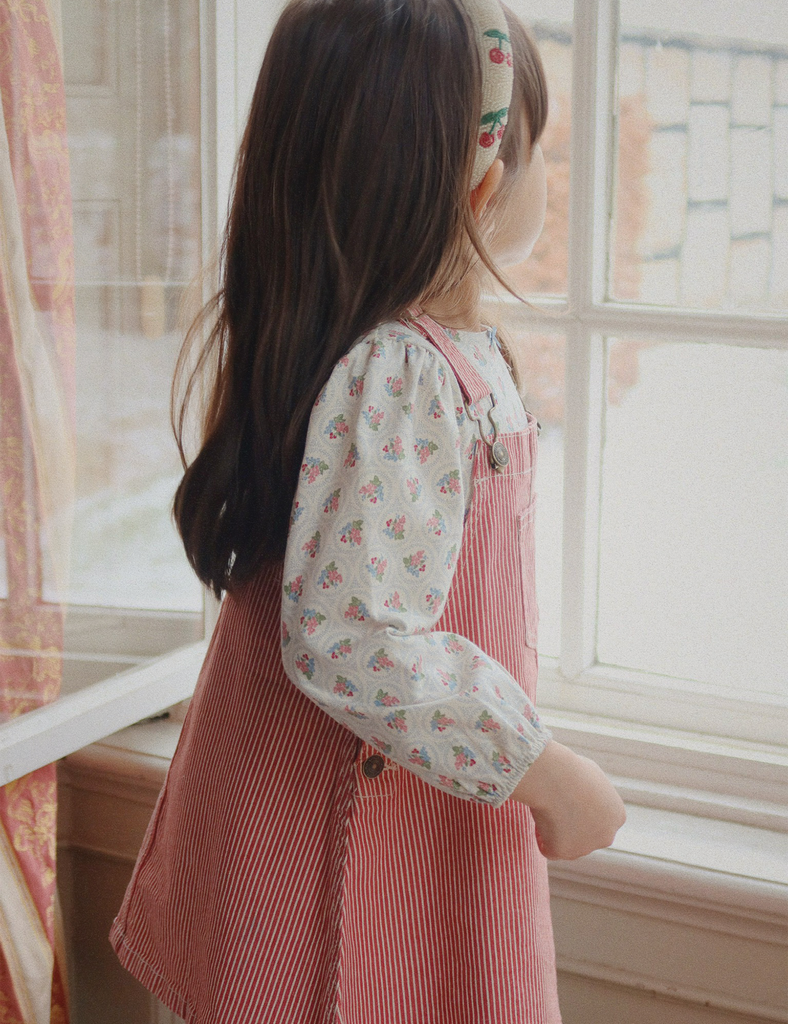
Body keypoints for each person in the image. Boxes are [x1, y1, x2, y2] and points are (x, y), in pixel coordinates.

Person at [110, 0, 626, 1020]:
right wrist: (543, 767)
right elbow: (351, 633)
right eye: (535, 153)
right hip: (344, 821)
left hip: (392, 802)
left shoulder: (428, 358)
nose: (544, 180)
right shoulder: (399, 372)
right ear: (479, 181)